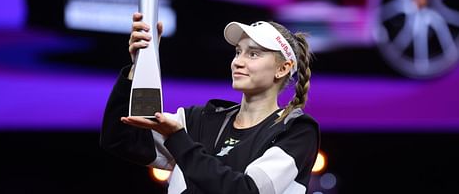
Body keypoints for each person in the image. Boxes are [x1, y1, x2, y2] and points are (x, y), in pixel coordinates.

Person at [100, 12, 320, 194]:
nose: (238, 62)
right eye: (237, 52)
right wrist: (140, 64)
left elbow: (246, 190)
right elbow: (119, 138)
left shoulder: (296, 130)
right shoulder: (200, 119)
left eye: (253, 54)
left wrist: (178, 139)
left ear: (283, 68)